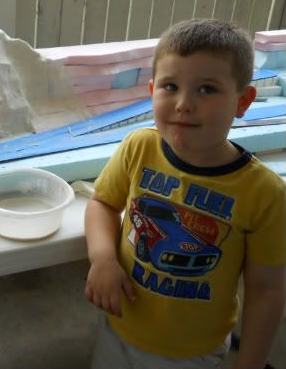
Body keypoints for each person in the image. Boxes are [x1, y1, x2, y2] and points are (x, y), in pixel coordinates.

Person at [84, 19, 286, 369]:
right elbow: (102, 202)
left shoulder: (264, 193)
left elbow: (266, 288)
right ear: (152, 91)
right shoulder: (138, 147)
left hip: (196, 350)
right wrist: (103, 259)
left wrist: (251, 362)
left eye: (206, 89)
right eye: (170, 86)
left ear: (243, 101)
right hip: (118, 327)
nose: (183, 103)